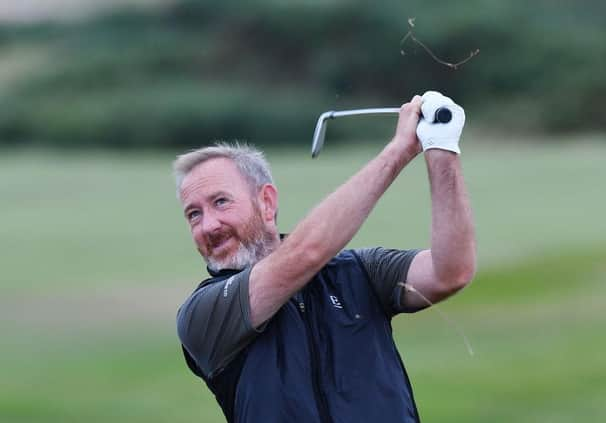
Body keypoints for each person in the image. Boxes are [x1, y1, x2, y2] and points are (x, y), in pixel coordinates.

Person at [174, 91, 476, 422]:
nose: (208, 226)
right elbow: (306, 253)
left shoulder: (358, 272)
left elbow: (450, 272)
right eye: (193, 214)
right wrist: (399, 151)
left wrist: (441, 147)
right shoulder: (204, 314)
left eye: (220, 202)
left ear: (267, 203)